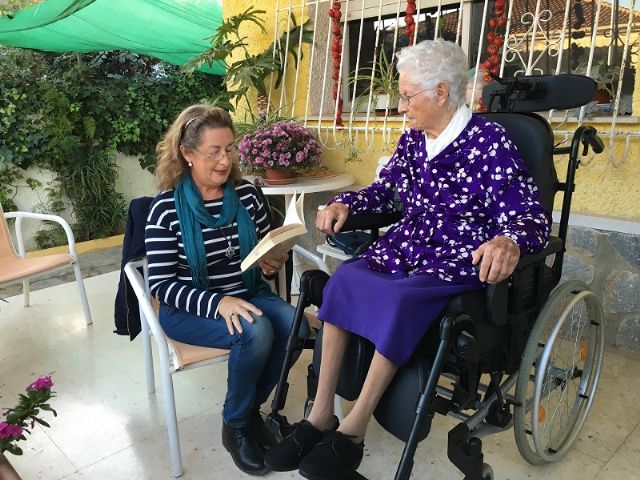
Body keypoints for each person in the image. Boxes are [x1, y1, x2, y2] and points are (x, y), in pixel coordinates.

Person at [264, 39, 551, 479]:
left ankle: (354, 428)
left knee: (398, 300)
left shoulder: (490, 143)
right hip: (409, 244)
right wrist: (348, 204)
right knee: (343, 281)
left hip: (457, 257)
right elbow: (385, 190)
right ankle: (321, 415)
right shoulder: (415, 139)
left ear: (440, 93)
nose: (400, 106)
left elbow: (528, 216)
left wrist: (507, 241)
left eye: (406, 95)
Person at [145, 105, 309, 476]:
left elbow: (262, 254)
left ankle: (251, 411)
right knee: (256, 330)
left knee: (297, 327)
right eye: (213, 152)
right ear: (186, 154)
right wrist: (217, 302)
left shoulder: (247, 195)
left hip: (247, 291)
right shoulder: (165, 209)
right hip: (190, 308)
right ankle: (235, 425)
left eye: (229, 149)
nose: (224, 160)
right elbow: (161, 285)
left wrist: (272, 261)